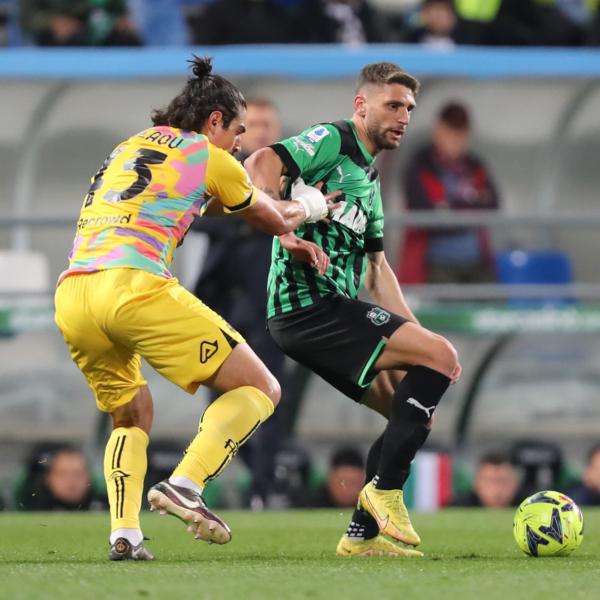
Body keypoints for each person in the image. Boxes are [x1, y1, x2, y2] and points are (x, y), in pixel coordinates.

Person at [54, 55, 338, 561]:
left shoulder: (128, 147)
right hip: (134, 287)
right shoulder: (208, 156)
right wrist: (313, 207)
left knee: (131, 412)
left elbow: (195, 202)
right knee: (262, 386)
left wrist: (282, 233)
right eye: (238, 130)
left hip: (75, 292)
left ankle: (125, 534)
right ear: (213, 121)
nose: (240, 142)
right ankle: (185, 485)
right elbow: (270, 213)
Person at [245, 61, 461, 558]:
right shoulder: (332, 139)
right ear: (361, 106)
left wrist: (420, 342)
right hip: (305, 308)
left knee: (409, 413)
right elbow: (259, 164)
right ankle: (385, 492)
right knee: (437, 359)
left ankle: (360, 537)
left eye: (409, 107)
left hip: (330, 309)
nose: (403, 116)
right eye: (392, 105)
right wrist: (287, 232)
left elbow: (378, 272)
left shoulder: (368, 179)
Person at [192, 98, 288, 509]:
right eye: (255, 124)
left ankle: (263, 488)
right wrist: (252, 215)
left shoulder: (288, 175)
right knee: (218, 395)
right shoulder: (223, 168)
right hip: (223, 303)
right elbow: (196, 215)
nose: (261, 131)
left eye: (268, 123)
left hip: (270, 305)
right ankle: (227, 473)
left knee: (271, 395)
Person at [397, 100, 500, 285]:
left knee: (492, 305)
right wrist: (470, 206)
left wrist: (449, 208)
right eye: (450, 131)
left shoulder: (475, 165)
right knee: (444, 312)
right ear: (438, 130)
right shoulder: (420, 165)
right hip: (435, 264)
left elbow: (493, 205)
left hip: (476, 261)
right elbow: (424, 213)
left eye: (461, 133)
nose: (455, 139)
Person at [24, 445, 105, 511]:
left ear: (89, 477)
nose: (71, 481)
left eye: (78, 474)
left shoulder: (107, 507)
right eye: (62, 474)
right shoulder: (34, 508)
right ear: (48, 478)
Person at [451, 452, 520, 508]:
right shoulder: (458, 508)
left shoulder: (528, 506)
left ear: (516, 483)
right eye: (489, 481)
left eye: (503, 481)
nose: (497, 491)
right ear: (476, 484)